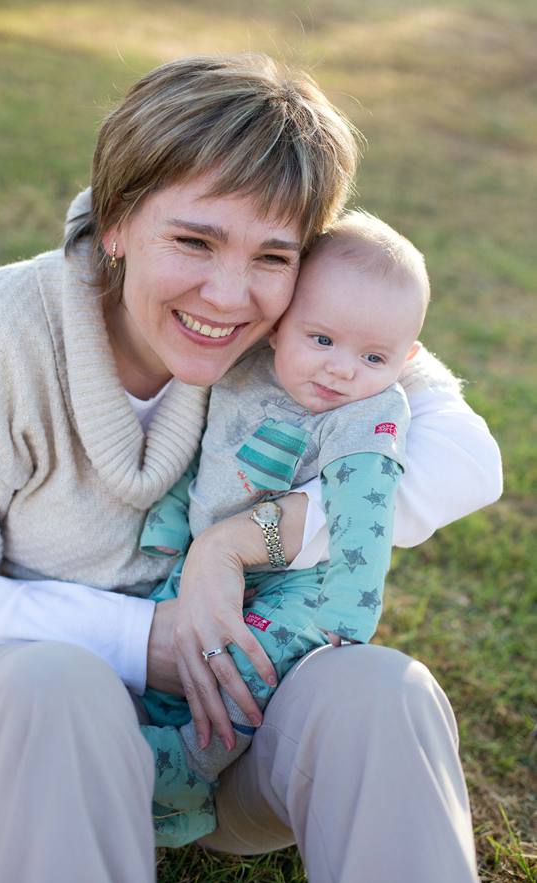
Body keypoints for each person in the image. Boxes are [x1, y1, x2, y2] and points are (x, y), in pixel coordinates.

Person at [0, 54, 501, 883]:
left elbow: (469, 462)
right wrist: (144, 641)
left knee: (386, 692)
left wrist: (238, 543)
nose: (230, 296)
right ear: (118, 221)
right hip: (42, 725)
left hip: (235, 738)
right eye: (194, 240)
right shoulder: (7, 326)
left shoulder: (309, 329)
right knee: (56, 689)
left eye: (273, 257)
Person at [137, 210, 431, 845]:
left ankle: (191, 765)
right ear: (280, 326)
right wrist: (167, 525)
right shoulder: (242, 368)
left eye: (373, 355)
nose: (341, 370)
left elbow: (363, 521)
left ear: (405, 359)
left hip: (305, 586)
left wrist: (349, 617)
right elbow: (200, 457)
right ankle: (153, 754)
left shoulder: (369, 414)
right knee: (180, 641)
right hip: (206, 553)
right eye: (321, 339)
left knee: (248, 667)